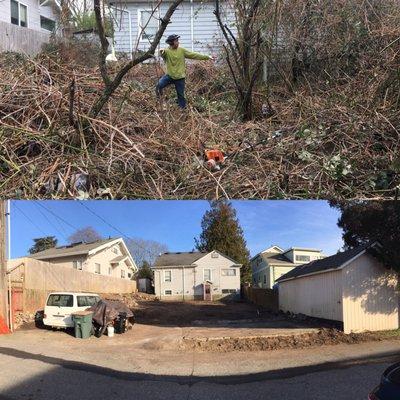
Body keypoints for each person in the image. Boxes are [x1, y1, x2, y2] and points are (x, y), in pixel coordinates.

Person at [156, 34, 213, 109]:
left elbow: (194, 55)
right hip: (169, 76)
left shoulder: (182, 50)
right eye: (176, 41)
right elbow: (161, 54)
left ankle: (182, 110)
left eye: (178, 41)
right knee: (159, 86)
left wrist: (207, 57)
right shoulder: (166, 52)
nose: (178, 42)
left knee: (181, 95)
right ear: (171, 43)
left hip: (180, 78)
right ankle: (161, 103)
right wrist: (160, 51)